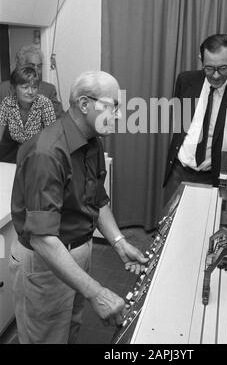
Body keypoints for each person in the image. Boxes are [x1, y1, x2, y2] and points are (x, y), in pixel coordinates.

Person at [9, 70, 148, 344]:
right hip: (47, 260)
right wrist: (97, 293)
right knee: (47, 337)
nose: (118, 116)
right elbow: (43, 239)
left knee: (69, 329)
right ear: (85, 104)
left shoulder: (92, 142)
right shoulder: (47, 152)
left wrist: (119, 243)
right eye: (112, 107)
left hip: (77, 253)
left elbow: (97, 199)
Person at [163, 34, 227, 204]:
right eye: (209, 68)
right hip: (178, 172)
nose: (216, 75)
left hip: (213, 179)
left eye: (223, 68)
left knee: (205, 228)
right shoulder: (185, 80)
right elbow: (179, 124)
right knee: (169, 226)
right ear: (201, 60)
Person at [0, 66, 56, 161]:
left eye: (34, 87)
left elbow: (52, 136)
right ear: (14, 88)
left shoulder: (45, 103)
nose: (30, 92)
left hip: (39, 151)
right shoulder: (7, 103)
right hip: (13, 151)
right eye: (25, 87)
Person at [0, 44, 63, 119]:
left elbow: (60, 120)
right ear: (20, 66)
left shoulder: (49, 90)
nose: (36, 70)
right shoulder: (3, 88)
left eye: (39, 66)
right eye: (32, 65)